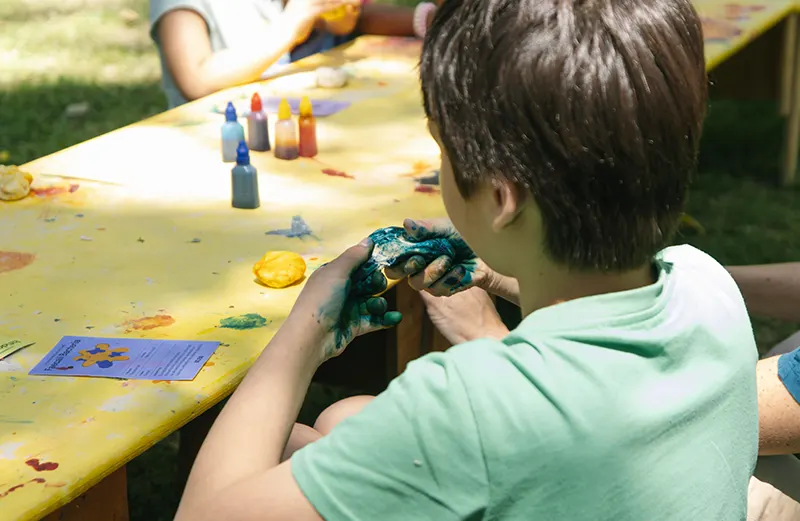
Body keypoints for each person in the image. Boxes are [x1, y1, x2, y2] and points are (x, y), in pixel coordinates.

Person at [174, 0, 759, 519]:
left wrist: (305, 333)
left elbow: (205, 514)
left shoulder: (469, 403)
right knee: (338, 422)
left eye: (444, 154)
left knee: (264, 443)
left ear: (503, 199)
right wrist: (497, 272)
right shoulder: (707, 285)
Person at [150, 0, 439, 108]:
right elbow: (197, 79)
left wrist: (433, 19)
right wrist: (297, 18)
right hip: (228, 144)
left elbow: (354, 18)